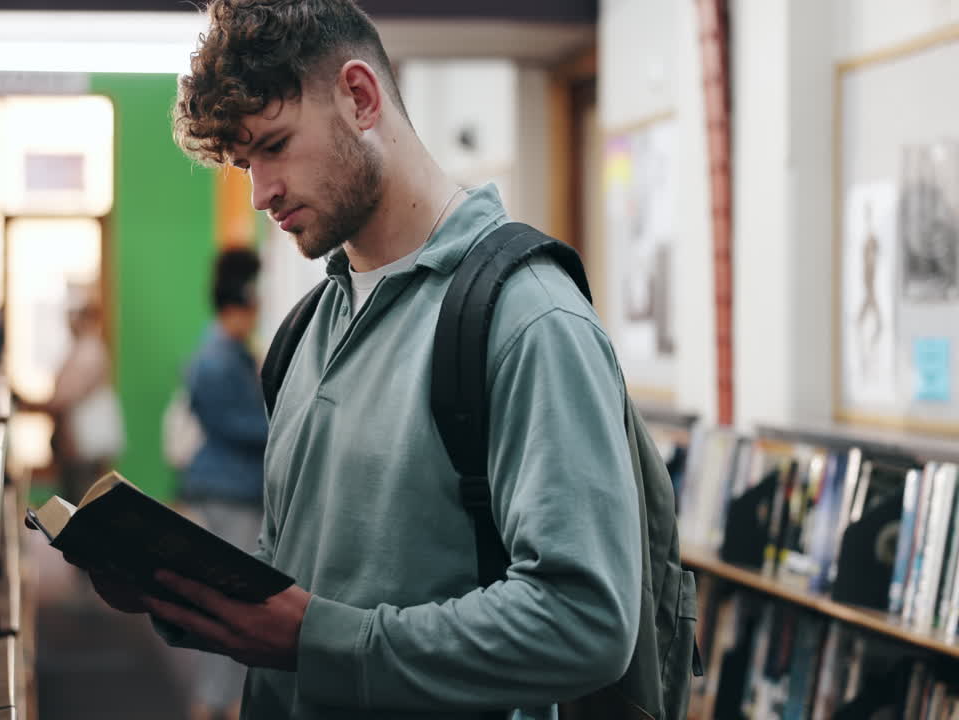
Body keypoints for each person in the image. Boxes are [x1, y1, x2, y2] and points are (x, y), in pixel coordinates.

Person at [74, 2, 642, 718]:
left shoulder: (528, 318)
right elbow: (292, 588)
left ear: (361, 97)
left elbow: (586, 621)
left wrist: (322, 639)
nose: (261, 194)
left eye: (275, 145)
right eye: (247, 163)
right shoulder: (306, 330)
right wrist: (173, 590)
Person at [179, 247, 270, 720]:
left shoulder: (227, 352)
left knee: (228, 603)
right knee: (231, 605)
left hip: (229, 489)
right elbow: (237, 426)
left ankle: (221, 701)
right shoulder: (217, 358)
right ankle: (213, 703)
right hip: (229, 492)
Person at [17, 288, 124, 504]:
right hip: (75, 443)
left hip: (83, 443)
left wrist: (33, 405)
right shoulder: (79, 348)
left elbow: (67, 396)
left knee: (82, 502)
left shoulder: (90, 351)